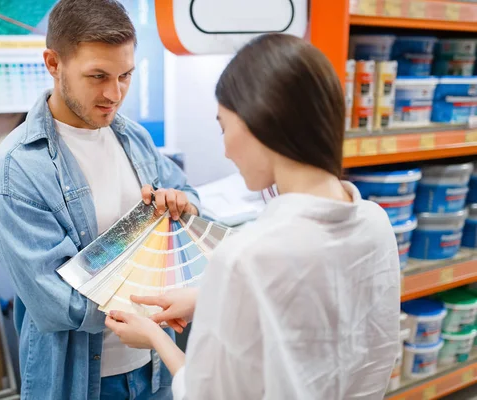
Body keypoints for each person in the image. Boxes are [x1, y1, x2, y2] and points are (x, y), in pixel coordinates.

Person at [105, 33, 401, 399]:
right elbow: (341, 335)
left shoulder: (245, 257)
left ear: (260, 122)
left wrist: (154, 338)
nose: (225, 148)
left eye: (223, 126)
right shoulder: (375, 222)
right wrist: (209, 298)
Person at [0, 0, 199, 399]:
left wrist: (181, 206)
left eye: (125, 76)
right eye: (97, 76)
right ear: (53, 63)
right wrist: (160, 310)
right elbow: (56, 303)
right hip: (81, 381)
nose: (113, 94)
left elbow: (191, 197)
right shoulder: (14, 174)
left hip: (153, 371)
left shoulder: (133, 136)